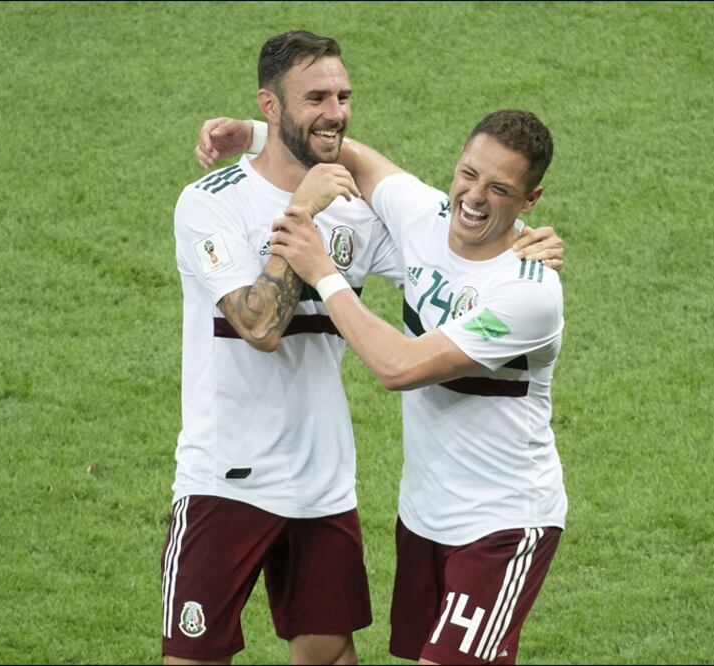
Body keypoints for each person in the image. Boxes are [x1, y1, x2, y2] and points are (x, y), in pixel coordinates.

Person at [167, 31, 564, 666]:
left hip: (326, 484)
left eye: (343, 96)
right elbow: (260, 326)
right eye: (316, 97)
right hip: (226, 477)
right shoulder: (208, 206)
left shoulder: (363, 217)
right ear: (272, 104)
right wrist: (279, 170)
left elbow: (450, 261)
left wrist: (521, 242)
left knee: (327, 654)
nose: (335, 111)